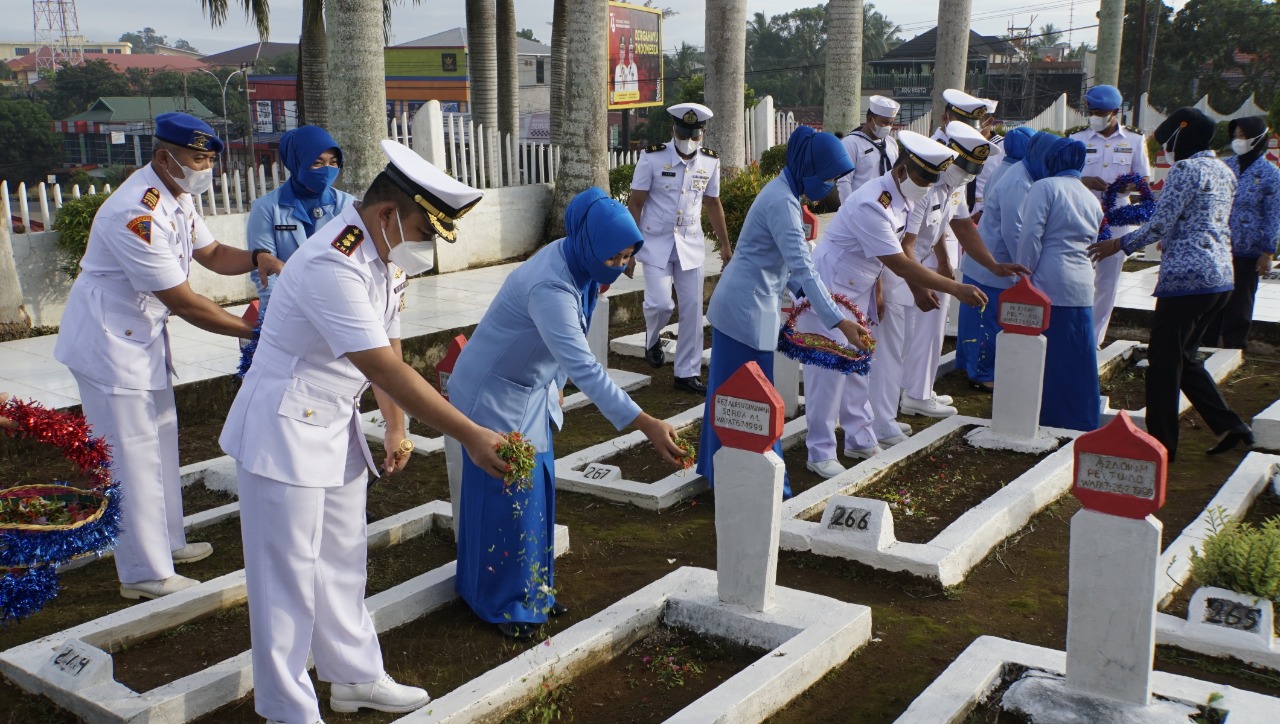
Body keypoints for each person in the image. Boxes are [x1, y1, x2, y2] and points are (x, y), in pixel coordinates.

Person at [220, 140, 508, 722]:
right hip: (283, 431)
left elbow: (389, 336)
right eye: (423, 232)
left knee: (343, 563)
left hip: (333, 423)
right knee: (287, 580)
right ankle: (288, 708)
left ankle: (354, 678)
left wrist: (396, 427)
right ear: (385, 216)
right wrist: (471, 434)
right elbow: (382, 366)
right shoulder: (334, 260)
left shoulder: (381, 253)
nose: (425, 248)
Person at [54, 113, 284, 600]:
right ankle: (142, 573)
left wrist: (258, 256)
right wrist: (254, 331)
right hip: (108, 344)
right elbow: (183, 301)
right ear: (165, 156)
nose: (206, 169)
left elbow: (214, 253)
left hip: (139, 337)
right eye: (199, 159)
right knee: (129, 456)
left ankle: (167, 544)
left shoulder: (177, 196)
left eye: (209, 159)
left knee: (160, 441)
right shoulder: (135, 212)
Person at [449, 187, 684, 639]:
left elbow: (559, 343)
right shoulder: (551, 286)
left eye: (625, 258)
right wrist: (647, 424)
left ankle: (532, 592)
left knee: (535, 494)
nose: (618, 267)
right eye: (613, 258)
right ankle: (498, 603)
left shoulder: (575, 257)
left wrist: (553, 385)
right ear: (590, 244)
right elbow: (587, 367)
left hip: (529, 392)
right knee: (504, 497)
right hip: (493, 396)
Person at [802, 131, 1003, 476]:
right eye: (924, 176)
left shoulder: (905, 195)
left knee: (861, 362)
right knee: (830, 370)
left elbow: (898, 252)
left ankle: (859, 438)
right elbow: (900, 261)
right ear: (902, 169)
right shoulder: (873, 202)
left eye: (932, 178)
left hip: (860, 285)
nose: (928, 184)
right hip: (832, 288)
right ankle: (819, 451)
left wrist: (877, 290)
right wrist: (955, 289)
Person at [698, 125, 870, 491]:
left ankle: (726, 475)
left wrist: (808, 303)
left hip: (749, 307)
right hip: (743, 312)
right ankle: (762, 484)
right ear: (809, 166)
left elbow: (788, 270)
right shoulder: (782, 203)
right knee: (751, 401)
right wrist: (839, 321)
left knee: (735, 398)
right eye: (825, 177)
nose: (827, 187)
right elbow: (802, 266)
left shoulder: (784, 195)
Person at [1089, 108, 1252, 462]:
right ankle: (1230, 425)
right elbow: (1203, 217)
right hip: (1221, 277)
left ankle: (1161, 446)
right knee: (1184, 358)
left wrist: (1116, 244)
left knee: (1163, 362)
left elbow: (1160, 222)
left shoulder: (1186, 170)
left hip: (1187, 280)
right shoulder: (1223, 169)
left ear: (1182, 137)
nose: (1166, 151)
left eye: (1167, 142)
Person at [898, 122, 1022, 420]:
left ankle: (919, 391)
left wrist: (990, 264)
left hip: (925, 261)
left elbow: (958, 224)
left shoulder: (953, 185)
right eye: (965, 165)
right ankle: (905, 397)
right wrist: (921, 284)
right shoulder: (924, 184)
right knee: (901, 337)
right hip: (904, 266)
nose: (968, 174)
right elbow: (905, 242)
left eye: (973, 168)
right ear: (950, 154)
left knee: (931, 333)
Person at [626, 103, 731, 394]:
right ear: (673, 129)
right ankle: (652, 337)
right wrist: (629, 248)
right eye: (683, 132)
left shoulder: (710, 162)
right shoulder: (652, 158)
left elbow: (713, 203)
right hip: (655, 242)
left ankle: (686, 373)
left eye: (694, 134)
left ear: (702, 133)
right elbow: (635, 203)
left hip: (690, 244)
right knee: (661, 303)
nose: (688, 138)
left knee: (693, 311)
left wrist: (724, 245)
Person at [1017, 137, 1105, 432]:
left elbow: (1030, 235)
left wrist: (1023, 274)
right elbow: (1093, 242)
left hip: (1049, 280)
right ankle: (1082, 416)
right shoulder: (1089, 196)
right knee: (1078, 356)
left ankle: (1052, 416)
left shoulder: (1045, 187)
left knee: (1051, 356)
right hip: (1082, 281)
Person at [1069, 85, 1153, 348]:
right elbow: (1065, 175)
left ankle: (1093, 339)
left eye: (1100, 112)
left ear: (1115, 112)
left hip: (1116, 218)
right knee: (1077, 275)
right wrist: (1084, 180)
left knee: (1107, 280)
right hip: (1082, 212)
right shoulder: (1078, 139)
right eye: (1091, 112)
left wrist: (1128, 185)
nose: (1094, 117)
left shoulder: (1134, 140)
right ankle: (1073, 333)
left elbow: (1144, 179)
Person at [955, 126, 1038, 391]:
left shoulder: (1003, 169)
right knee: (987, 323)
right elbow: (1013, 230)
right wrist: (1024, 268)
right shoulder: (1018, 179)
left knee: (974, 323)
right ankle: (982, 374)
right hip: (995, 264)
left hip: (982, 260)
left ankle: (970, 367)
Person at [246, 125, 355, 323]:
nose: (326, 170)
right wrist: (279, 315)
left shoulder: (347, 205)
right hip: (285, 308)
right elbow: (264, 272)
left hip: (338, 306)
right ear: (297, 162)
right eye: (317, 163)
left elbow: (354, 260)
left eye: (333, 162)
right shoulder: (267, 208)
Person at [1202, 116, 1280, 349]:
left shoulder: (1270, 174)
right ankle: (1207, 344)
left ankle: (1234, 346)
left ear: (1257, 139)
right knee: (1214, 298)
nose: (1239, 141)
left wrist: (1268, 251)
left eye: (1244, 136)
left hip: (1249, 249)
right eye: (1236, 136)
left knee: (1240, 302)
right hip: (1219, 245)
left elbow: (1273, 214)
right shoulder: (1227, 166)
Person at [835, 95, 901, 202]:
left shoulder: (891, 143)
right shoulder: (851, 143)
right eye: (884, 122)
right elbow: (844, 182)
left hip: (888, 207)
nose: (888, 127)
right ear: (870, 119)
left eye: (891, 123)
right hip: (862, 207)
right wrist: (849, 211)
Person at [968, 98, 1006, 219]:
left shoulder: (1003, 148)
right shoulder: (960, 144)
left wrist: (984, 211)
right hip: (959, 209)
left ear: (990, 121)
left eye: (977, 123)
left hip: (989, 210)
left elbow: (1006, 185)